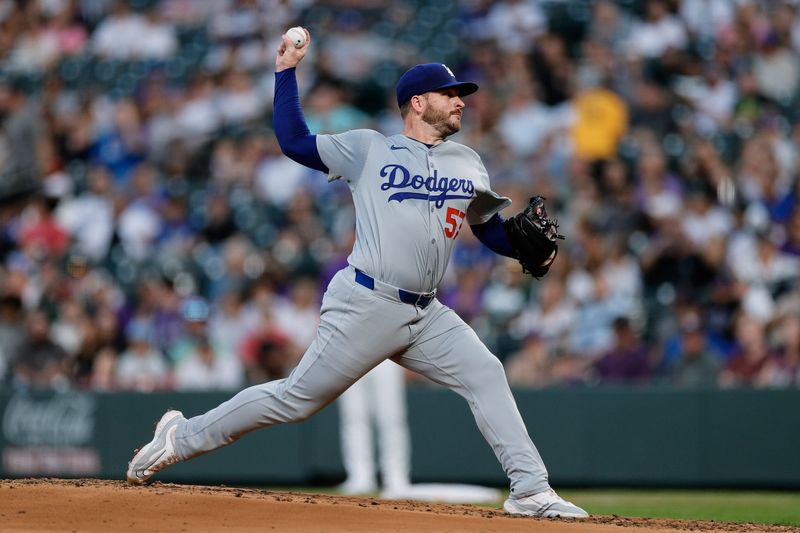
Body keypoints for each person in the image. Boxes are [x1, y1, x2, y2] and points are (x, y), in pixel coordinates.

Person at [126, 27, 588, 519]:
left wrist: (526, 252)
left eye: (461, 95)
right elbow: (294, 141)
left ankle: (530, 490)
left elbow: (488, 228)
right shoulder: (369, 148)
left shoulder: (468, 162)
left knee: (486, 372)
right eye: (449, 94)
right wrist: (285, 73)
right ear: (416, 103)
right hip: (368, 302)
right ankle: (181, 437)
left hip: (427, 313)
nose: (460, 103)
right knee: (294, 401)